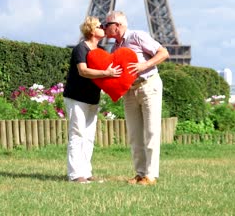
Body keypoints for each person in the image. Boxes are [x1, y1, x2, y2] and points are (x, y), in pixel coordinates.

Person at [103, 10, 169, 186]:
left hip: (149, 85)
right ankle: (140, 173)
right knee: (134, 133)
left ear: (117, 26)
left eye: (106, 24)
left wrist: (144, 65)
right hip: (130, 91)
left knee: (151, 131)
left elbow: (163, 53)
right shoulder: (114, 48)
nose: (103, 27)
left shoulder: (138, 36)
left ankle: (151, 175)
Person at [63, 16, 122, 184]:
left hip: (92, 98)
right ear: (91, 30)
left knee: (89, 136)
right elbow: (83, 71)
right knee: (77, 134)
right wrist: (106, 74)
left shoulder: (102, 50)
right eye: (100, 26)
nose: (104, 28)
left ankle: (86, 172)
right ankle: (75, 174)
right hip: (77, 97)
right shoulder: (80, 49)